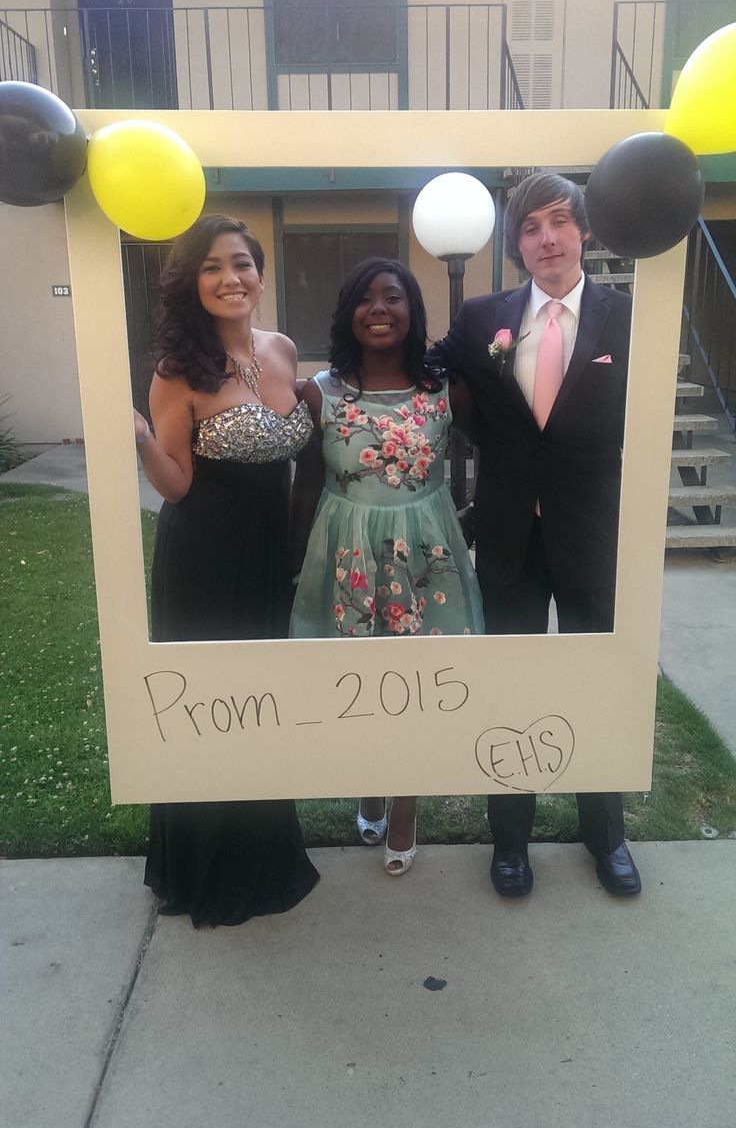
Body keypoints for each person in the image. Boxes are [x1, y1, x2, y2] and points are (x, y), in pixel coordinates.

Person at [431, 172, 641, 899]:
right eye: (530, 227)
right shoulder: (482, 315)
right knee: (511, 691)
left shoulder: (629, 317)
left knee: (595, 684)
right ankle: (511, 844)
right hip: (510, 537)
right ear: (516, 244)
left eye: (559, 221)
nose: (546, 237)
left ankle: (605, 834)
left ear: (583, 231)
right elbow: (429, 372)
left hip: (592, 535)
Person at [133, 213, 319, 926]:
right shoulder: (177, 369)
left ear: (260, 275)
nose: (229, 278)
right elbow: (176, 485)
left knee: (264, 705)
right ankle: (205, 867)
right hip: (206, 558)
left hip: (271, 549)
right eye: (211, 266)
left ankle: (267, 852)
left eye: (240, 263)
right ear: (193, 283)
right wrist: (143, 442)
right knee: (212, 710)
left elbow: (295, 437)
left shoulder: (281, 350)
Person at [290, 257, 484, 876]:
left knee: (416, 686)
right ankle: (366, 786)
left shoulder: (444, 390)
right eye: (366, 299)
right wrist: (293, 565)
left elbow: (504, 454)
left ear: (412, 311)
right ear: (349, 313)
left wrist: (474, 521)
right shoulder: (317, 393)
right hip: (344, 555)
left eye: (393, 298)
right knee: (355, 683)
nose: (380, 309)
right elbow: (306, 485)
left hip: (424, 561)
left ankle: (404, 809)